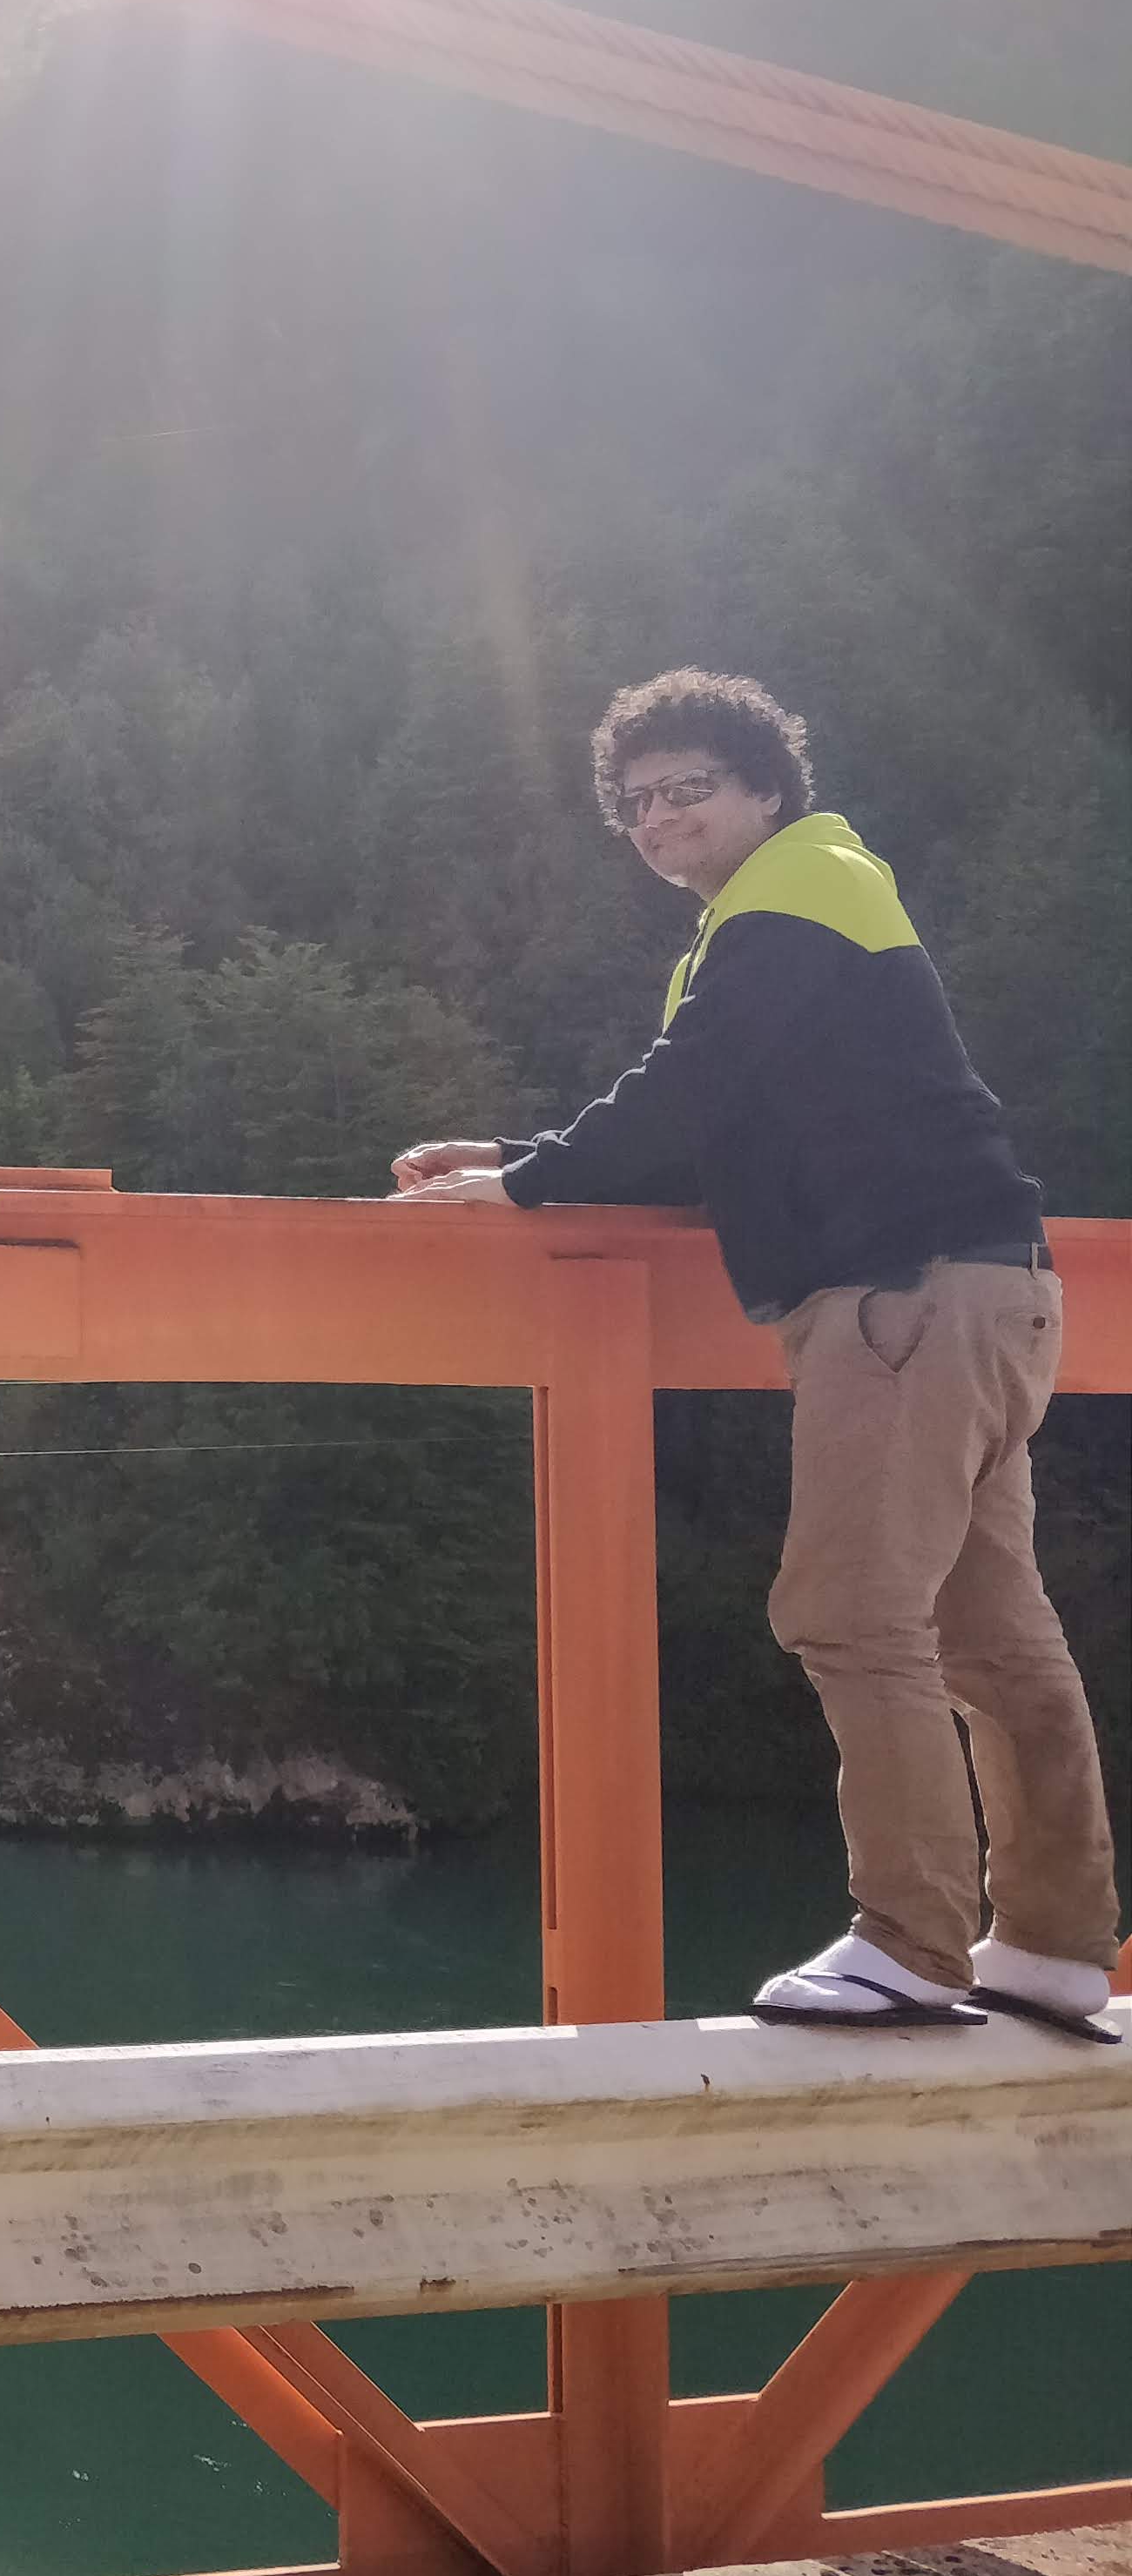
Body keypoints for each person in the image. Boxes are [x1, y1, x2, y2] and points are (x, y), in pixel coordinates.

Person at [389, 669, 1116, 2044]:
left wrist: (529, 1185)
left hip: (900, 1300)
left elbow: (691, 1087)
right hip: (989, 1289)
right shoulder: (806, 905)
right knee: (990, 1637)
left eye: (689, 789)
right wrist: (521, 1159)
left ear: (768, 790)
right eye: (637, 803)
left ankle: (910, 1943)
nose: (660, 819)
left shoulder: (792, 896)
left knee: (849, 1614)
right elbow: (723, 1129)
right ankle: (1055, 1949)